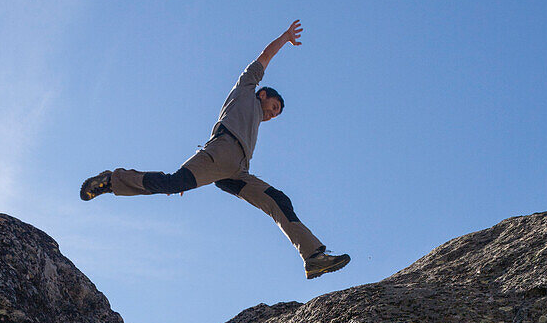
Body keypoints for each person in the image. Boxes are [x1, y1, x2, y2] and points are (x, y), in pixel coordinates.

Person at [80, 21, 350, 279]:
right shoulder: (246, 88)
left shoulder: (255, 119)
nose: (273, 115)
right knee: (173, 183)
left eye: (276, 115)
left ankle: (313, 256)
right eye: (274, 108)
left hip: (238, 170)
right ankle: (111, 180)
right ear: (263, 95)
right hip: (222, 152)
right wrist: (285, 37)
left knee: (277, 199)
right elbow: (265, 56)